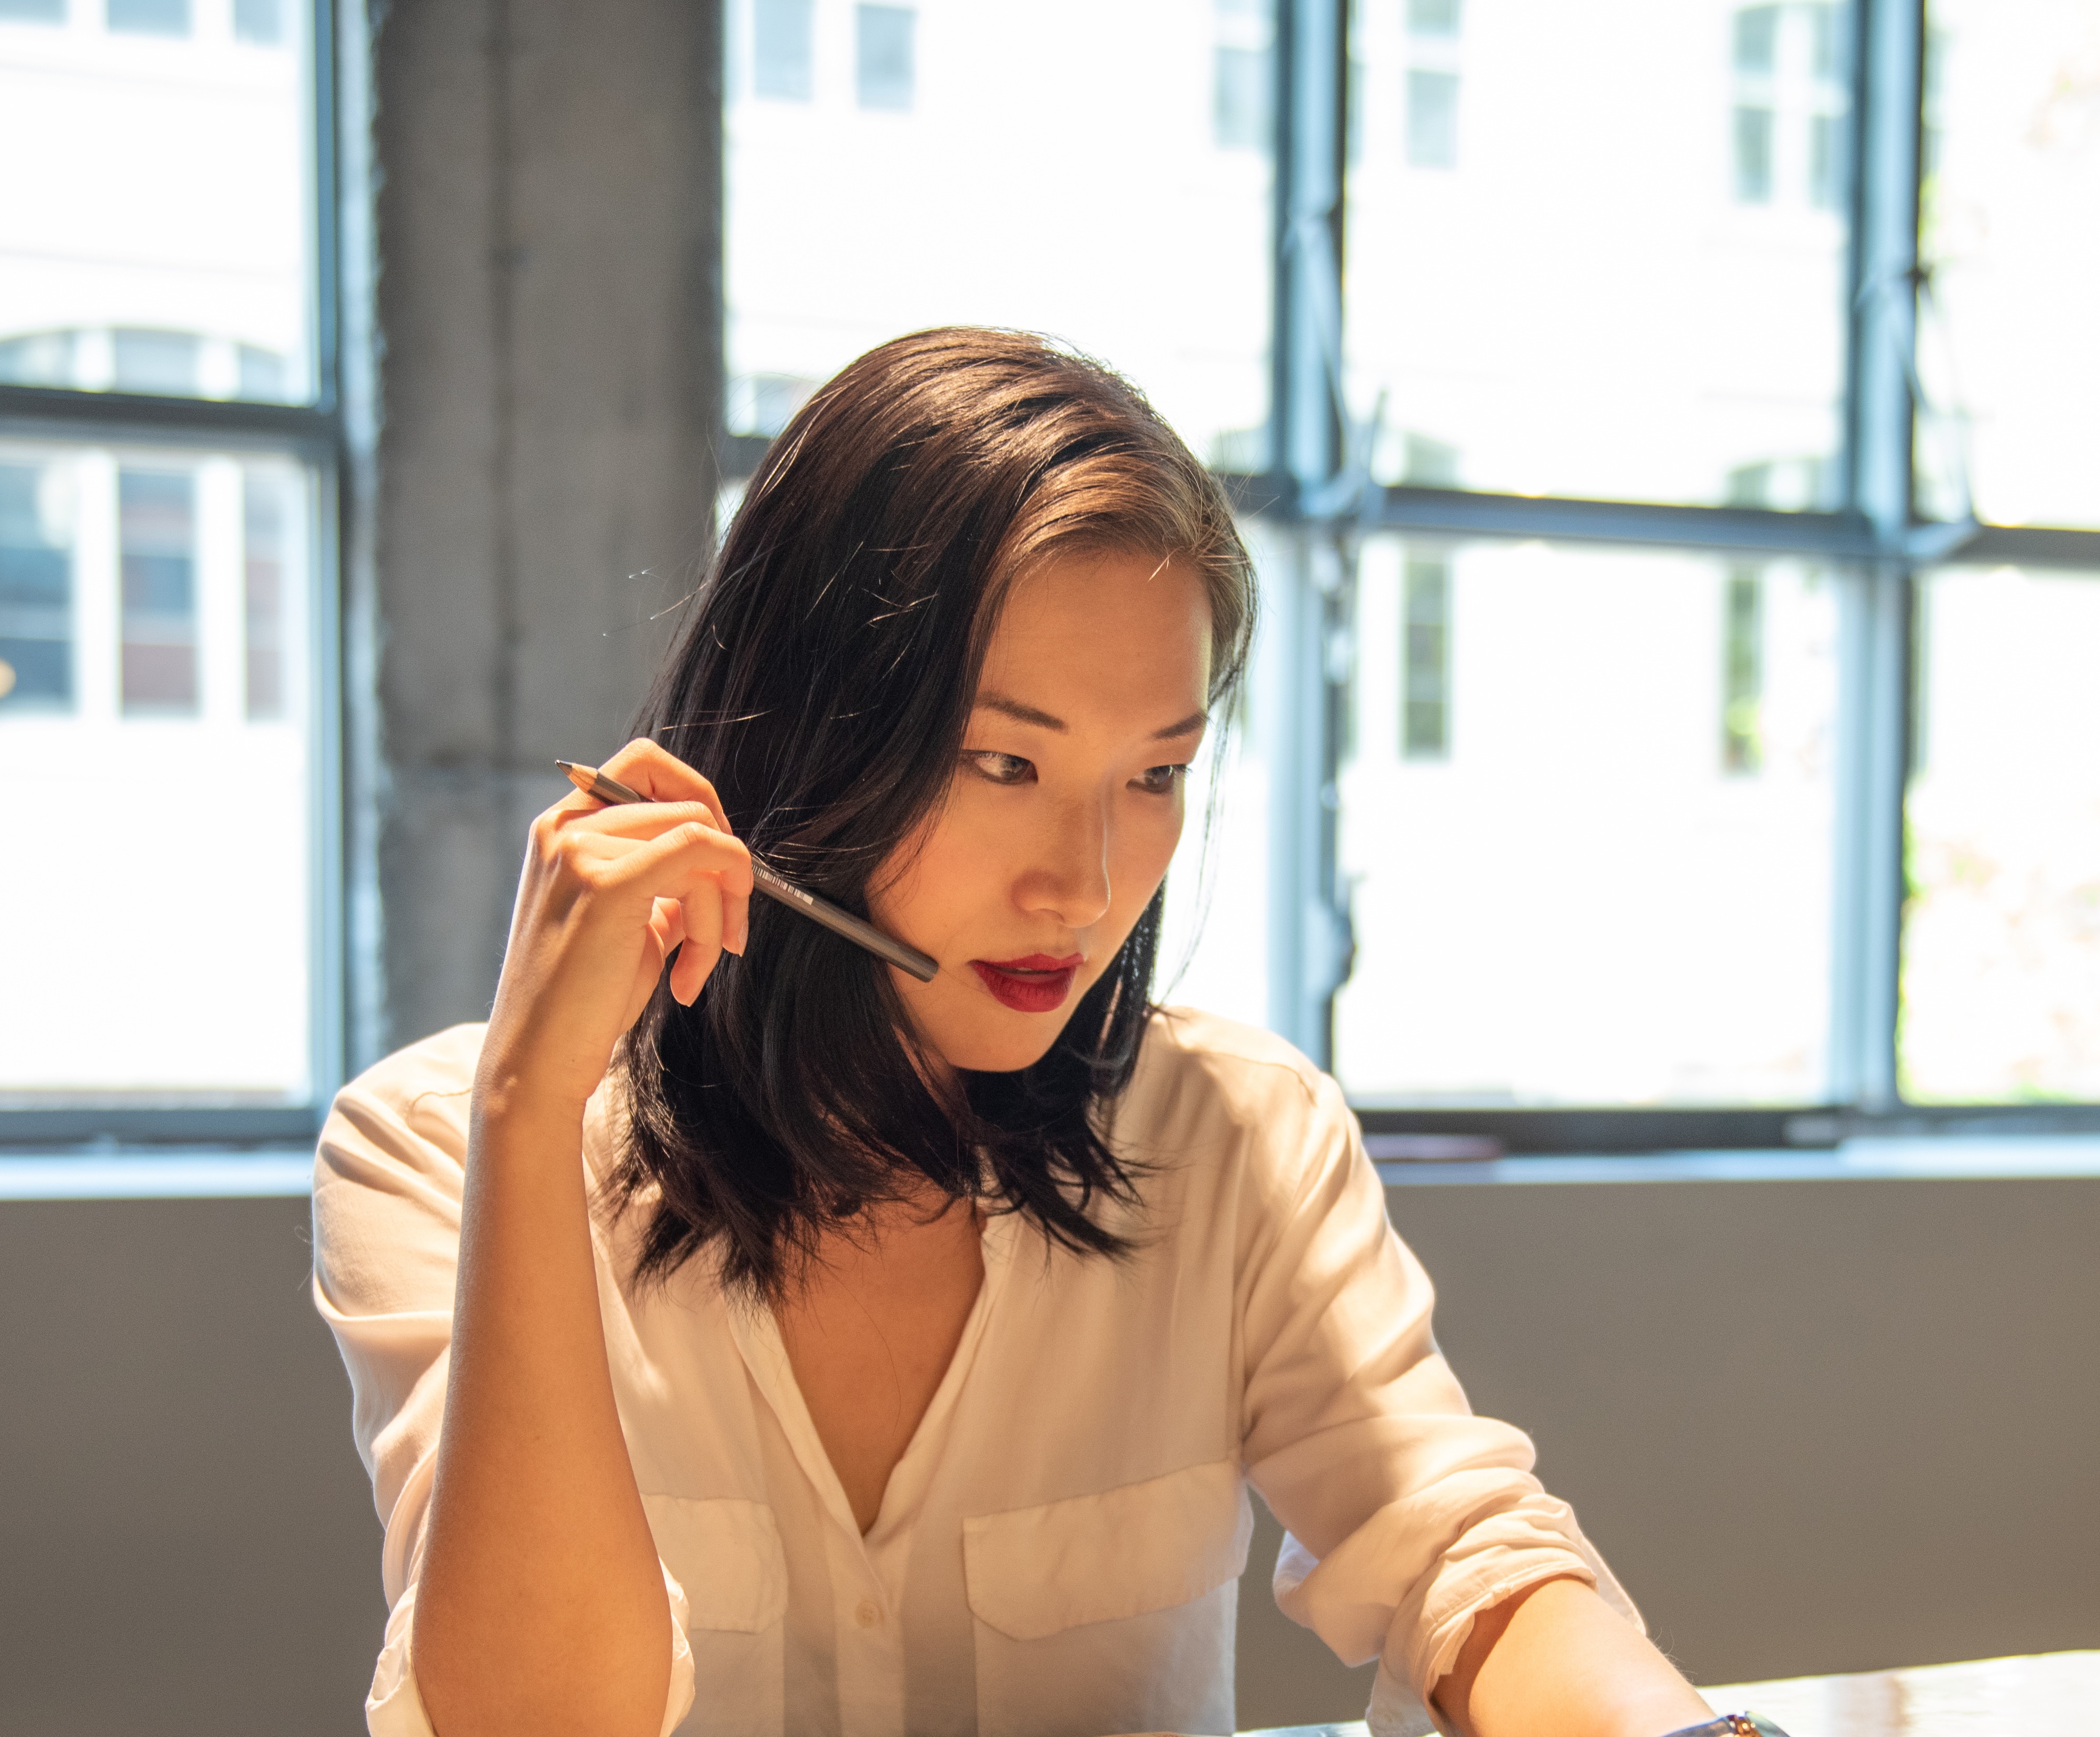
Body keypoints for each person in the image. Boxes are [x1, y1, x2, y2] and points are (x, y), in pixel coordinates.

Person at [312, 328, 1734, 1737]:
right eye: (1005, 762)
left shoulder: (1239, 1133)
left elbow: (1459, 1547)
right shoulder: (436, 1145)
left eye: (1156, 774)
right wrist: (527, 1107)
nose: (1087, 888)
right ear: (810, 736)